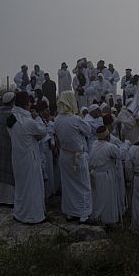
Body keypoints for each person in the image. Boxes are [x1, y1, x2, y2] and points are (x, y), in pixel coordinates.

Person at [7, 92, 46, 224]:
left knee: (21, 187)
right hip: (30, 158)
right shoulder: (28, 122)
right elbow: (43, 131)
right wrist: (37, 117)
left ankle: (19, 213)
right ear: (25, 104)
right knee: (32, 187)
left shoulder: (11, 118)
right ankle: (32, 216)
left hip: (17, 157)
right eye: (29, 103)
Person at [54, 91, 93, 223]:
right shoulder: (75, 119)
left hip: (64, 155)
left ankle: (70, 212)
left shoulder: (57, 120)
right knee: (83, 184)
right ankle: (83, 213)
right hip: (77, 156)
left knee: (68, 184)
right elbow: (88, 131)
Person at [89, 125, 127, 225]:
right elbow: (121, 155)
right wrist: (124, 145)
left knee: (98, 197)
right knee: (107, 198)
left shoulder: (94, 143)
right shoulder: (110, 146)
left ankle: (98, 217)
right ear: (107, 136)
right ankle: (108, 220)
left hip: (95, 174)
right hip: (106, 175)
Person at [0, 92, 16, 207]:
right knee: (9, 172)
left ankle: (2, 199)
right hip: (9, 146)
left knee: (1, 172)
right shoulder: (11, 115)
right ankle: (10, 200)